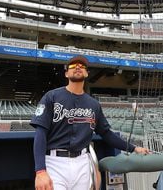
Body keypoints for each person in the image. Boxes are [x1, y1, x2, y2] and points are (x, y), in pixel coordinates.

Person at [31, 55, 150, 190]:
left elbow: (106, 134)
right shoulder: (51, 97)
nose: (77, 67)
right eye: (73, 66)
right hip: (55, 162)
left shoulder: (93, 104)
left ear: (87, 73)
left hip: (82, 163)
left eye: (82, 66)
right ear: (66, 73)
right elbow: (40, 133)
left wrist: (134, 148)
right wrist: (40, 171)